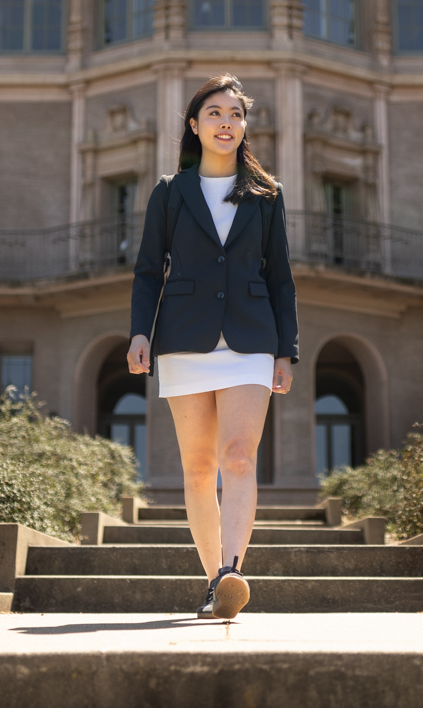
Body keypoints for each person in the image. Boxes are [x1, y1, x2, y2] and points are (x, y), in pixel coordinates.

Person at [127, 74, 298, 620]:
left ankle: (232, 570)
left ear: (244, 126)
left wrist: (285, 349)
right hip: (183, 338)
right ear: (196, 126)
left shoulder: (266, 196)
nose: (227, 122)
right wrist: (140, 332)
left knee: (239, 456)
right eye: (215, 113)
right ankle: (215, 584)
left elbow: (281, 278)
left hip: (251, 337)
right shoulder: (170, 192)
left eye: (236, 114)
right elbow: (149, 269)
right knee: (199, 468)